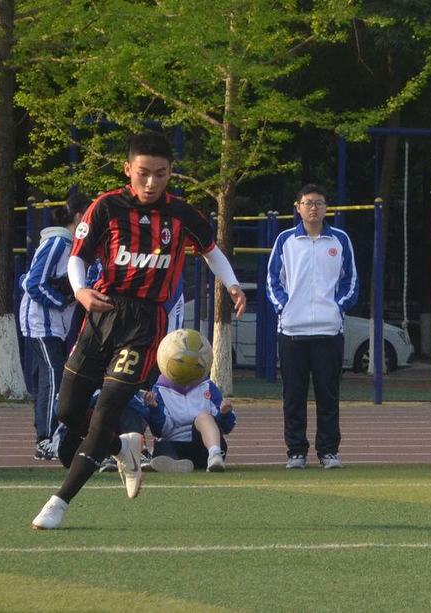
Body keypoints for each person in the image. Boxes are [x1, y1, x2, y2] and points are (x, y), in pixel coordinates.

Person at [31, 130, 246, 530]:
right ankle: (122, 447)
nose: (151, 182)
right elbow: (78, 257)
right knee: (68, 411)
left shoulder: (181, 214)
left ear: (170, 173)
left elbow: (211, 251)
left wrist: (232, 284)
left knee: (107, 409)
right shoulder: (106, 207)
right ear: (127, 169)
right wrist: (80, 291)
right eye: (143, 173)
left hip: (145, 325)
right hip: (101, 315)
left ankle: (59, 502)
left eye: (160, 174)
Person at [266, 184, 359, 469]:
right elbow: (272, 280)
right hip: (292, 331)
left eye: (318, 203)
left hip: (329, 331)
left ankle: (328, 451)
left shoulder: (339, 239)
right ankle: (296, 451)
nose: (313, 208)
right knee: (293, 395)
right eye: (307, 203)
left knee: (328, 395)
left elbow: (351, 280)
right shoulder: (285, 240)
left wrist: (337, 307)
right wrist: (284, 308)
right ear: (298, 208)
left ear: (326, 207)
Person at [19, 193, 90, 461]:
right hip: (42, 323)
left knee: (47, 377)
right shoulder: (59, 243)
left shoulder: (74, 246)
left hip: (56, 325)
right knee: (54, 375)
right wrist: (63, 300)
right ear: (79, 216)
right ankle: (46, 438)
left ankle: (46, 434)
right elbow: (32, 282)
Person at [143, 372, 236, 473]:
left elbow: (226, 427)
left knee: (204, 417)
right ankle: (174, 464)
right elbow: (161, 431)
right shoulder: (159, 390)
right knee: (163, 449)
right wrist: (155, 408)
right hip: (174, 443)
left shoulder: (207, 386)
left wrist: (224, 414)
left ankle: (215, 456)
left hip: (204, 447)